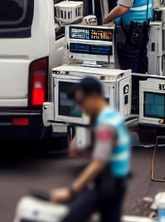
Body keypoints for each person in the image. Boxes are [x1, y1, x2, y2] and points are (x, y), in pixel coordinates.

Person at [49, 77, 130, 222]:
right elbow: (110, 152)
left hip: (106, 185)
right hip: (117, 185)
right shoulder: (113, 116)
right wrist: (84, 152)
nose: (80, 107)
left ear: (93, 97)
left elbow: (99, 162)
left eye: (81, 102)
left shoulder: (105, 124)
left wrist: (71, 191)